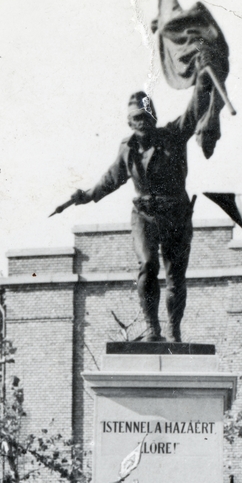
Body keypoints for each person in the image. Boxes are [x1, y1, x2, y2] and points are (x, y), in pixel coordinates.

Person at [52, 78, 213, 341]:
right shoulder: (128, 150)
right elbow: (111, 178)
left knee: (175, 276)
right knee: (148, 264)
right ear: (129, 121)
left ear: (154, 117)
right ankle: (152, 328)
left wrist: (204, 82)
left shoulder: (173, 135)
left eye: (146, 116)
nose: (141, 122)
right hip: (145, 215)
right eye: (136, 117)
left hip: (175, 215)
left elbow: (194, 112)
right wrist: (86, 195)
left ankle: (174, 330)